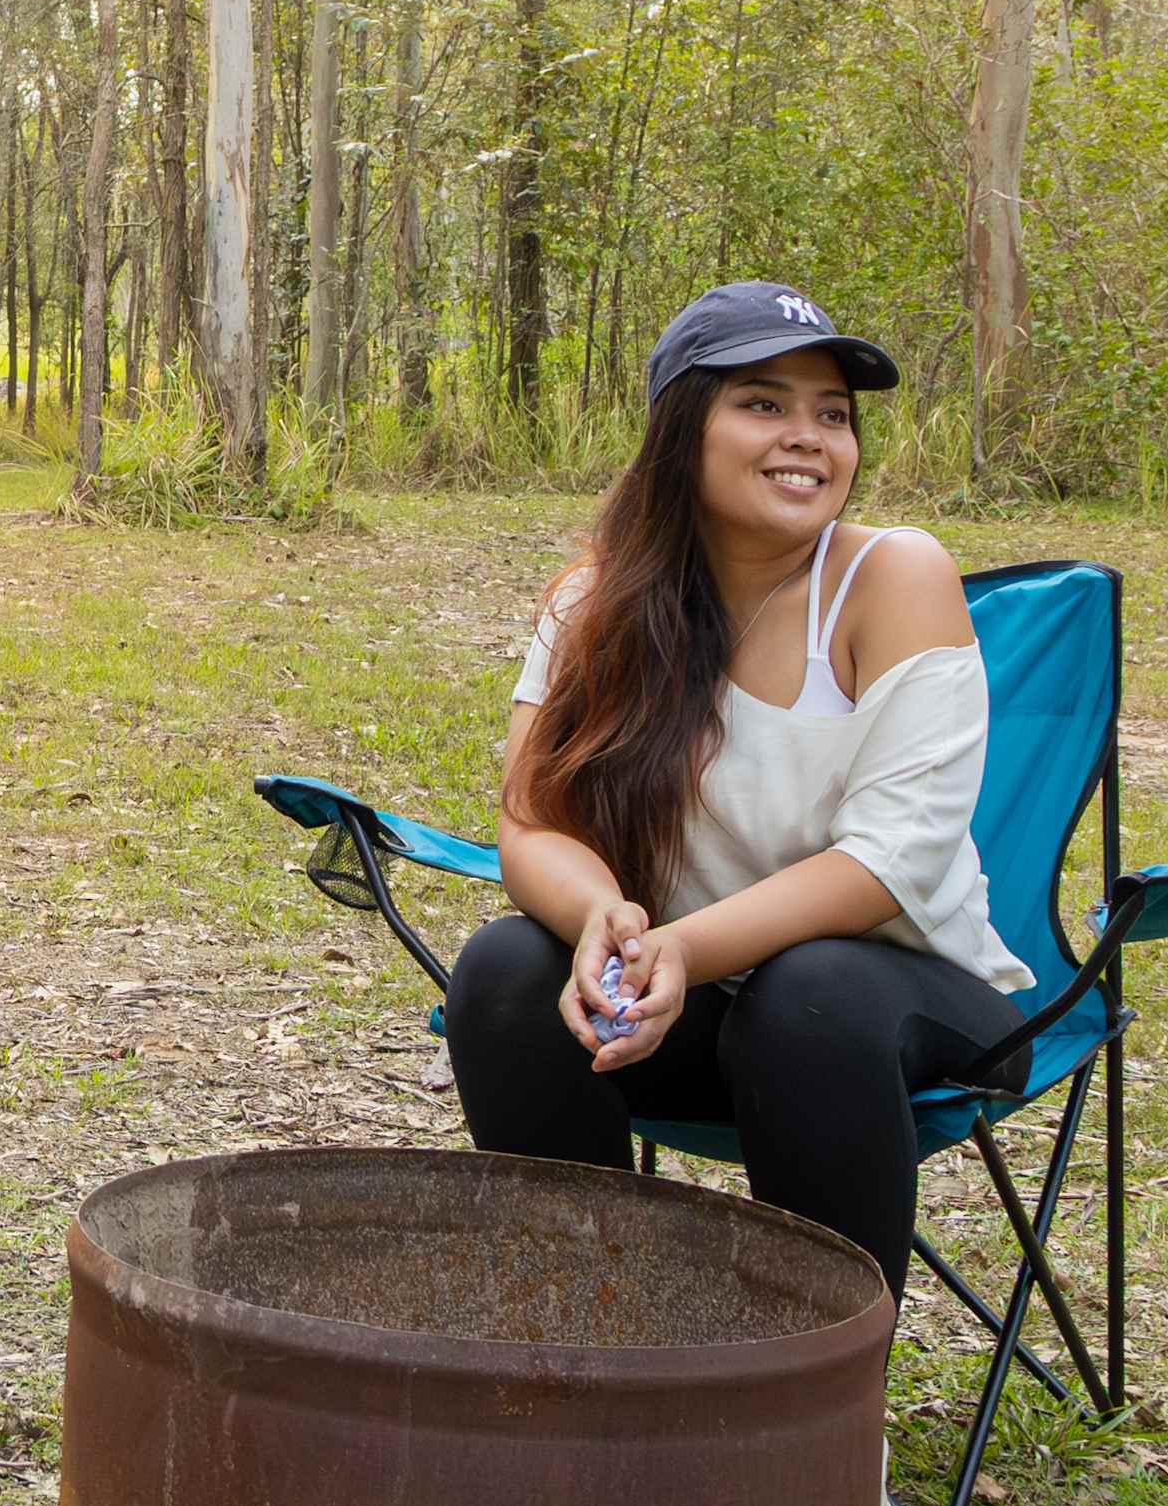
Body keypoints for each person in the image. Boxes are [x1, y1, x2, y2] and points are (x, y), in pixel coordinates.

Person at [441, 282, 1029, 1342]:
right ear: (683, 429)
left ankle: (824, 1441)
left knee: (809, 997)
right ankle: (585, 1362)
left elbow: (889, 863)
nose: (809, 437)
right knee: (506, 973)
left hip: (902, 999)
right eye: (764, 403)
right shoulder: (594, 603)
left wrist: (681, 948)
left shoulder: (890, 576)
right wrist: (601, 922)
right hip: (695, 1001)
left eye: (833, 413)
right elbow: (533, 821)